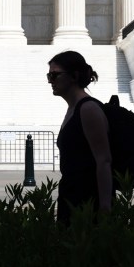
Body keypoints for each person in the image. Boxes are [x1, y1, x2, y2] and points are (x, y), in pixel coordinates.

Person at [48, 50, 113, 223]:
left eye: (55, 75)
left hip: (88, 200)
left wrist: (105, 207)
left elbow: (103, 160)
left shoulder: (88, 109)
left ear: (74, 76)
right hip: (71, 195)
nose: (50, 81)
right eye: (49, 76)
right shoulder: (73, 108)